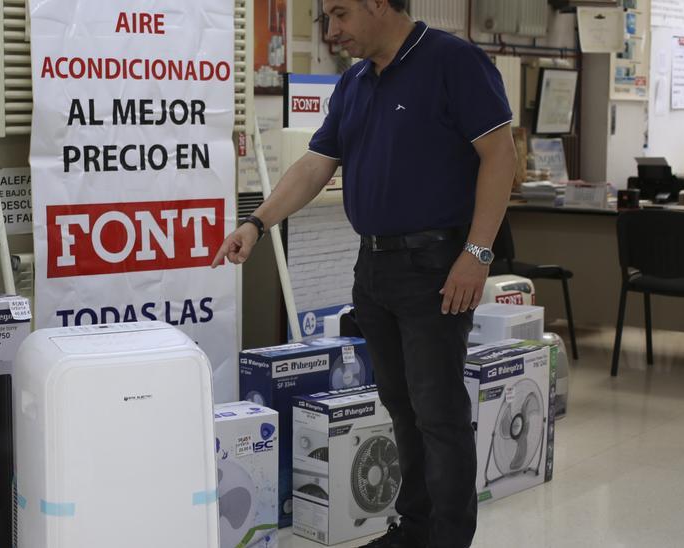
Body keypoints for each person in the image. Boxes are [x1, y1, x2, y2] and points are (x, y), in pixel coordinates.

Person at [213, 1, 516, 547]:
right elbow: (316, 164)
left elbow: (500, 155)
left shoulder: (454, 62)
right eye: (327, 19)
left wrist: (477, 253)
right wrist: (257, 223)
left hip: (437, 267)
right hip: (374, 267)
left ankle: (447, 539)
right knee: (400, 406)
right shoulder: (354, 83)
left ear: (379, 4)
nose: (332, 32)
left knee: (438, 412)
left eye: (340, 15)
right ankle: (415, 528)